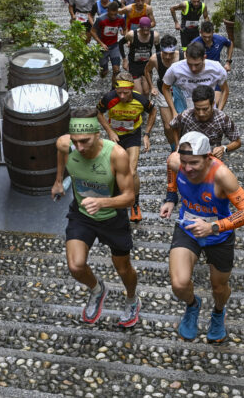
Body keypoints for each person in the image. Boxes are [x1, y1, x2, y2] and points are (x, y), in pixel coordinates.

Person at [159, 131, 244, 342]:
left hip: (218, 236)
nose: (187, 168)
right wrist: (170, 197)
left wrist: (213, 227)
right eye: (184, 162)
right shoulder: (176, 162)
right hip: (188, 228)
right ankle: (193, 305)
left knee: (219, 287)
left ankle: (218, 313)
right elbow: (171, 166)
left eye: (194, 163)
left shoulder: (222, 175)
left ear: (208, 157)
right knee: (179, 284)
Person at [52, 108, 140, 327]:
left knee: (123, 268)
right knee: (76, 266)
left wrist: (102, 202)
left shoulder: (116, 155)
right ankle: (97, 289)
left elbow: (130, 197)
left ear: (97, 134)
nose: (79, 147)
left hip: (112, 217)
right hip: (82, 214)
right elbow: (63, 155)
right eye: (75, 141)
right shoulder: (65, 144)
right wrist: (57, 180)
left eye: (85, 141)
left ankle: (131, 299)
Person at [97, 72, 156, 222]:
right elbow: (98, 112)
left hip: (132, 135)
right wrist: (109, 131)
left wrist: (147, 134)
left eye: (126, 92)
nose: (122, 96)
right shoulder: (109, 98)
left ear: (131, 89)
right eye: (119, 92)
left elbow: (153, 111)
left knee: (132, 171)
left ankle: (134, 204)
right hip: (115, 135)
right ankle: (115, 198)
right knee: (113, 170)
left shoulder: (140, 100)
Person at [166, 85, 241, 177]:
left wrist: (224, 148)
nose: (201, 113)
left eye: (205, 109)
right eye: (197, 109)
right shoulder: (186, 116)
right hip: (189, 160)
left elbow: (237, 142)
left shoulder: (222, 119)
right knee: (172, 160)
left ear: (212, 104)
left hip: (211, 160)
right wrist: (178, 145)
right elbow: (173, 126)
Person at [162, 41, 229, 121]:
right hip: (185, 108)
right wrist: (173, 111)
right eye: (189, 64)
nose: (193, 69)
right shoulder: (175, 69)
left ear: (204, 57)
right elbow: (165, 88)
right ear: (186, 56)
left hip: (207, 109)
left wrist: (219, 111)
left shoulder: (216, 68)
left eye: (197, 64)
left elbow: (225, 90)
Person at [145, 35, 181, 150]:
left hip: (180, 91)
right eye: (165, 53)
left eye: (171, 54)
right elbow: (147, 71)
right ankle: (173, 147)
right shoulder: (154, 59)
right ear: (161, 50)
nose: (168, 57)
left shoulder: (182, 56)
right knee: (168, 126)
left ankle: (183, 146)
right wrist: (151, 87)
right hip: (163, 91)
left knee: (182, 123)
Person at [91, 1, 126, 81]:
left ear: (118, 11)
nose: (113, 17)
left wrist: (125, 34)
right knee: (104, 71)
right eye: (111, 14)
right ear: (107, 11)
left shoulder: (120, 18)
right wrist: (101, 43)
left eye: (115, 14)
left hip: (114, 46)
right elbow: (92, 31)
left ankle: (113, 89)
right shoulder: (100, 19)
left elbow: (124, 28)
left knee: (116, 70)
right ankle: (103, 72)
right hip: (102, 47)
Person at [124, 17, 159, 95]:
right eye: (144, 29)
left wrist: (157, 63)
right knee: (138, 92)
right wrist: (124, 60)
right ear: (140, 27)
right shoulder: (132, 34)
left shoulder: (155, 35)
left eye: (148, 29)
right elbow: (120, 43)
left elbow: (158, 51)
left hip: (146, 65)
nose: (146, 32)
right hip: (134, 65)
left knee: (146, 92)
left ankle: (146, 106)